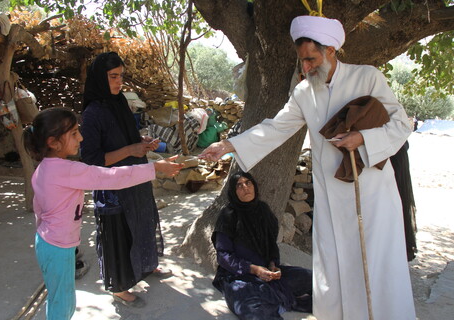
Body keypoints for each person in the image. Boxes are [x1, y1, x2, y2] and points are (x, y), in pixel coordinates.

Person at [201, 15, 416, 320]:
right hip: (329, 197)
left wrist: (362, 138)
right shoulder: (304, 93)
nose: (306, 68)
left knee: (375, 262)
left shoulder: (367, 77)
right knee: (333, 265)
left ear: (331, 51)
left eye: (311, 59)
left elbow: (400, 125)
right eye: (302, 61)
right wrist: (227, 145)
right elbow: (275, 128)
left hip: (371, 194)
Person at [23, 107, 182, 319]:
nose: (80, 137)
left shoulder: (43, 168)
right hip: (58, 247)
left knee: (58, 297)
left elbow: (39, 210)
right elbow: (112, 177)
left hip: (47, 242)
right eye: (73, 134)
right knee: (63, 303)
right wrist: (155, 168)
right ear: (53, 142)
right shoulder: (66, 170)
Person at [80, 52, 172, 306]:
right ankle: (119, 287)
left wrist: (140, 143)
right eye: (113, 76)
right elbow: (91, 159)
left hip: (136, 178)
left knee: (143, 221)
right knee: (120, 233)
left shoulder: (119, 102)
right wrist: (130, 151)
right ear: (101, 77)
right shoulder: (92, 113)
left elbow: (124, 136)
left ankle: (147, 265)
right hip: (113, 186)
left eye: (120, 76)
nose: (119, 82)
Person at [212, 171, 312, 320]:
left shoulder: (263, 210)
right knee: (253, 310)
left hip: (267, 272)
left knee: (311, 279)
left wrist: (273, 264)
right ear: (233, 192)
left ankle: (279, 299)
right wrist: (253, 269)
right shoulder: (228, 215)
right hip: (239, 275)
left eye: (248, 183)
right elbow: (224, 256)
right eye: (239, 185)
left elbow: (271, 244)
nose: (245, 187)